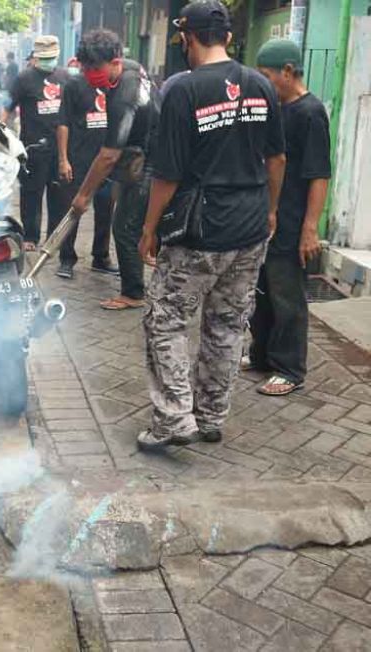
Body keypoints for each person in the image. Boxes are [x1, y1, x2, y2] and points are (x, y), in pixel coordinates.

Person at [135, 0, 286, 450]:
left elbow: (168, 174)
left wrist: (149, 228)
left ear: (189, 37)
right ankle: (211, 416)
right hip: (251, 225)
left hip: (202, 230)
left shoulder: (184, 89)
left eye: (182, 36)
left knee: (165, 321)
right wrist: (272, 210)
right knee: (227, 325)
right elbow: (276, 158)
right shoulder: (260, 84)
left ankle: (173, 419)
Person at [247, 38, 331, 396]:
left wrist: (310, 228)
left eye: (266, 76)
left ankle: (290, 368)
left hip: (293, 220)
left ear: (287, 71)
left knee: (287, 296)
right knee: (261, 291)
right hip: (267, 218)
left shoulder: (310, 113)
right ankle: (262, 355)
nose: (263, 83)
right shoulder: (276, 107)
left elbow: (320, 174)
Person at [69, 29, 159, 309]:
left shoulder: (124, 94)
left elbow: (109, 155)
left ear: (114, 61)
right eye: (85, 68)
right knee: (135, 222)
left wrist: (84, 195)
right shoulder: (130, 68)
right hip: (141, 154)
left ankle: (133, 293)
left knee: (125, 226)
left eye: (94, 68)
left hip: (152, 161)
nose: (89, 74)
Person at [0, 35, 68, 251]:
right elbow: (7, 107)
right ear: (36, 57)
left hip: (60, 148)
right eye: (44, 57)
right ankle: (30, 236)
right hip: (31, 148)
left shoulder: (66, 77)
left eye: (51, 57)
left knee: (58, 196)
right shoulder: (24, 78)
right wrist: (0, 130)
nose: (48, 61)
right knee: (31, 194)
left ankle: (54, 238)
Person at [55, 57, 119, 279]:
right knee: (74, 209)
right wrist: (64, 159)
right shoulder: (74, 85)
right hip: (79, 159)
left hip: (106, 159)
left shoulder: (113, 83)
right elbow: (63, 123)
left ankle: (101, 257)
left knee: (105, 210)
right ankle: (66, 259)